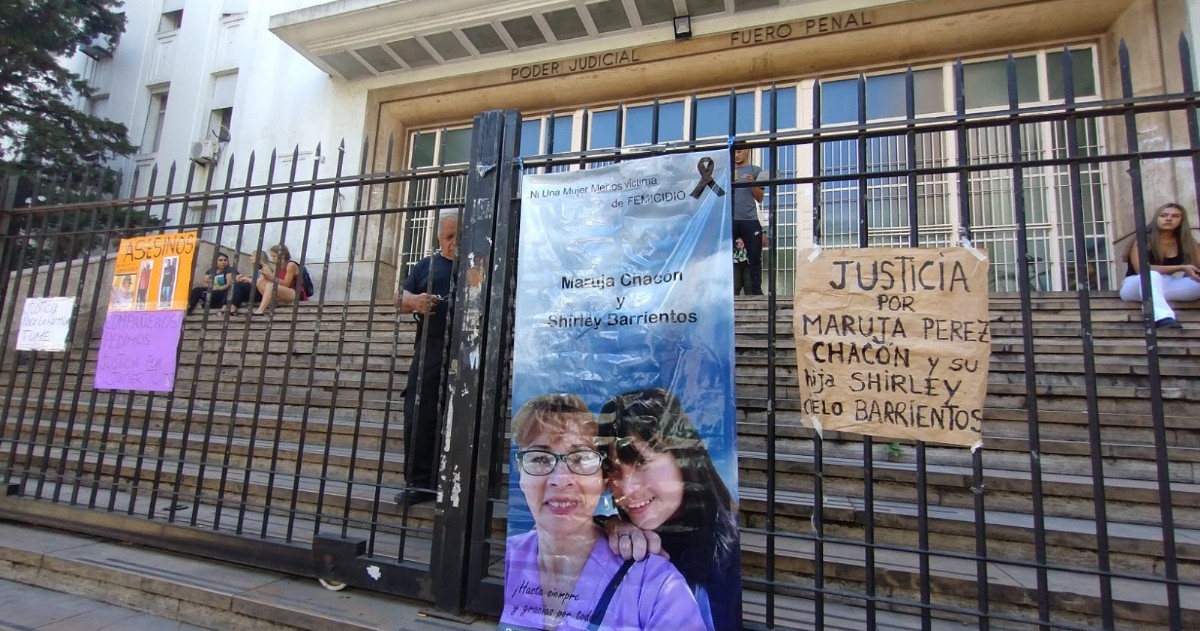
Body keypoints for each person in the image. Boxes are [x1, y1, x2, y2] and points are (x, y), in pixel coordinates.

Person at [502, 393, 706, 631]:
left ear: (602, 479)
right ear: (520, 473)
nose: (560, 479)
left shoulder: (656, 585)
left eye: (580, 458)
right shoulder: (504, 561)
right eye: (539, 458)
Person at [596, 387, 742, 631]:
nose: (627, 488)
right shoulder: (622, 536)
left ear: (683, 456)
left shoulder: (729, 554)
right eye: (614, 469)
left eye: (642, 462)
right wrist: (605, 525)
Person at [394, 210, 458, 507]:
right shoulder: (427, 266)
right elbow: (400, 298)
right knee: (420, 411)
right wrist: (414, 301)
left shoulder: (482, 264)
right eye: (448, 237)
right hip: (431, 347)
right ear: (439, 239)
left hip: (468, 350)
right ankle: (419, 483)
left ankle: (458, 481)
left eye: (459, 236)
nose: (454, 243)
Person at [1119, 202, 1200, 329]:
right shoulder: (1142, 240)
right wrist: (1181, 268)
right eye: (1164, 215)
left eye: (1175, 216)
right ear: (1157, 218)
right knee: (1152, 275)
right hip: (1136, 285)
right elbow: (1142, 269)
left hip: (1167, 285)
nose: (1169, 219)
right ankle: (1163, 318)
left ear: (1182, 220)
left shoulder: (1187, 242)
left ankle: (1156, 300)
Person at [732, 148, 764, 295]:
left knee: (754, 257)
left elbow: (760, 198)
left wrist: (751, 184)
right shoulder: (727, 170)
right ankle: (725, 290)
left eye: (739, 152)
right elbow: (717, 194)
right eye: (734, 152)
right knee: (723, 256)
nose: (737, 155)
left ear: (747, 151)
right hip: (730, 219)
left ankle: (756, 291)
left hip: (749, 219)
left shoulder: (756, 170)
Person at [253, 244, 307, 315]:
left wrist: (271, 276)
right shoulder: (279, 266)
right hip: (284, 291)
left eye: (275, 256)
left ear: (283, 255)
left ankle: (260, 310)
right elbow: (274, 280)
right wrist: (265, 275)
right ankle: (272, 302)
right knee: (261, 282)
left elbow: (286, 284)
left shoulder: (291, 265)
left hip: (296, 293)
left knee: (270, 286)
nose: (273, 259)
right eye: (272, 257)